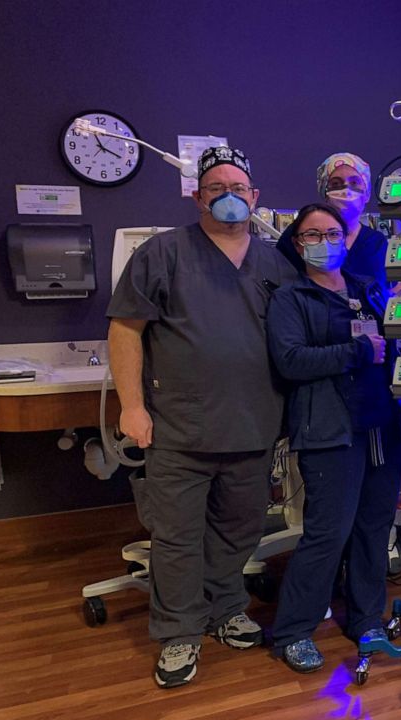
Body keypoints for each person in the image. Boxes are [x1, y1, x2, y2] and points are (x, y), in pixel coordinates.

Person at [107, 146, 296, 688]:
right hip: (179, 427)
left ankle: (225, 607)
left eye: (239, 188)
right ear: (198, 197)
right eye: (216, 188)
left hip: (253, 425)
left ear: (255, 198)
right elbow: (126, 331)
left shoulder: (273, 262)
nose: (229, 196)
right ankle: (179, 633)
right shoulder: (163, 253)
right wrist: (133, 406)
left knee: (238, 531)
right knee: (178, 536)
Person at [266, 203, 401, 673]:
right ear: (297, 242)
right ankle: (293, 630)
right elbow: (290, 360)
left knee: (374, 528)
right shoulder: (291, 299)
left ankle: (366, 617)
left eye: (332, 232)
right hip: (330, 430)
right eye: (313, 234)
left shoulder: (365, 291)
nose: (324, 241)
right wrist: (355, 351)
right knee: (328, 533)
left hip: (382, 426)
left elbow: (391, 341)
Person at [276, 152, 388, 290]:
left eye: (354, 182)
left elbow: (382, 293)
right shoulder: (299, 234)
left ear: (367, 192)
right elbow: (282, 284)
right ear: (324, 191)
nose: (346, 190)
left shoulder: (376, 243)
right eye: (336, 183)